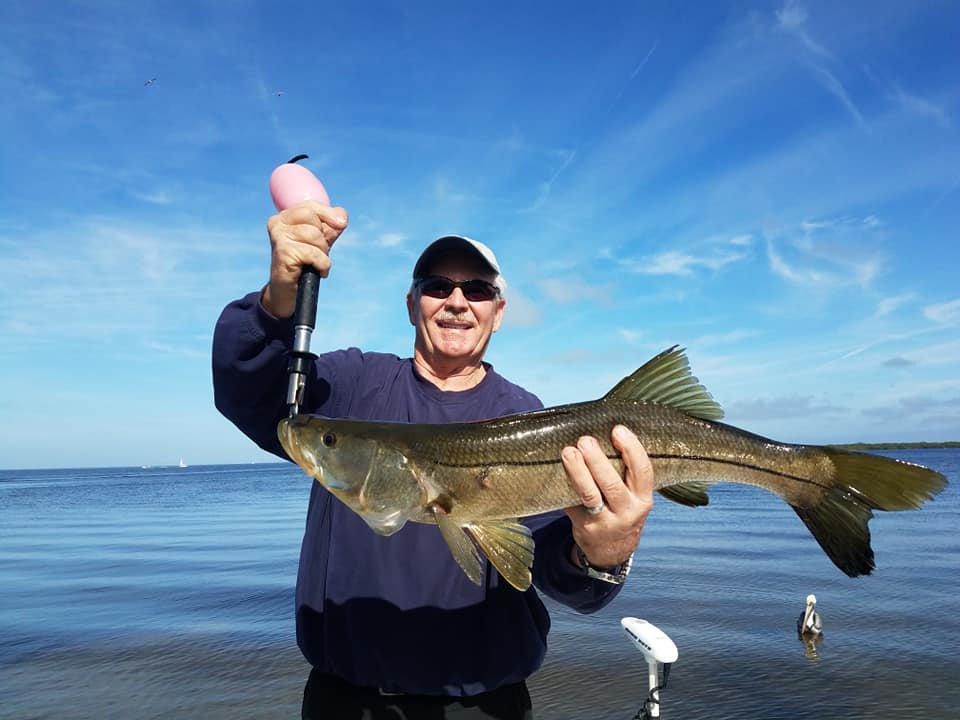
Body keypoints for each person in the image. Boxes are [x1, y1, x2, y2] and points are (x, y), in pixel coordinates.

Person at [212, 198, 654, 719]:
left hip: (485, 705)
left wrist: (603, 554)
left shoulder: (527, 416)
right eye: (438, 287)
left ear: (499, 311)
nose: (457, 301)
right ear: (411, 304)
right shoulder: (352, 383)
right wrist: (276, 302)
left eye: (478, 289)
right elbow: (250, 391)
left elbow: (562, 577)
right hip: (344, 701)